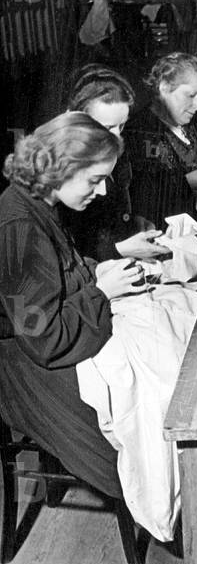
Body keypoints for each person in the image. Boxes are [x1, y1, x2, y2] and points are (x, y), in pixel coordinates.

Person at [0, 112, 147, 500]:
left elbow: (61, 273)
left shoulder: (41, 202)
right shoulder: (19, 224)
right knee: (139, 429)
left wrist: (101, 272)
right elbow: (45, 338)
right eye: (95, 180)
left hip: (40, 341)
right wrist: (101, 293)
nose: (101, 192)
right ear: (61, 169)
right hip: (21, 365)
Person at [64, 64, 171, 262]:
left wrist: (134, 225)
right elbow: (70, 256)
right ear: (75, 119)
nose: (116, 137)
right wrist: (122, 249)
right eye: (106, 127)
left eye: (121, 126)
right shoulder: (64, 172)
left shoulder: (120, 154)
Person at [122, 52, 197, 228]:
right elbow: (139, 199)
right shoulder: (138, 132)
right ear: (164, 87)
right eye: (191, 96)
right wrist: (186, 182)